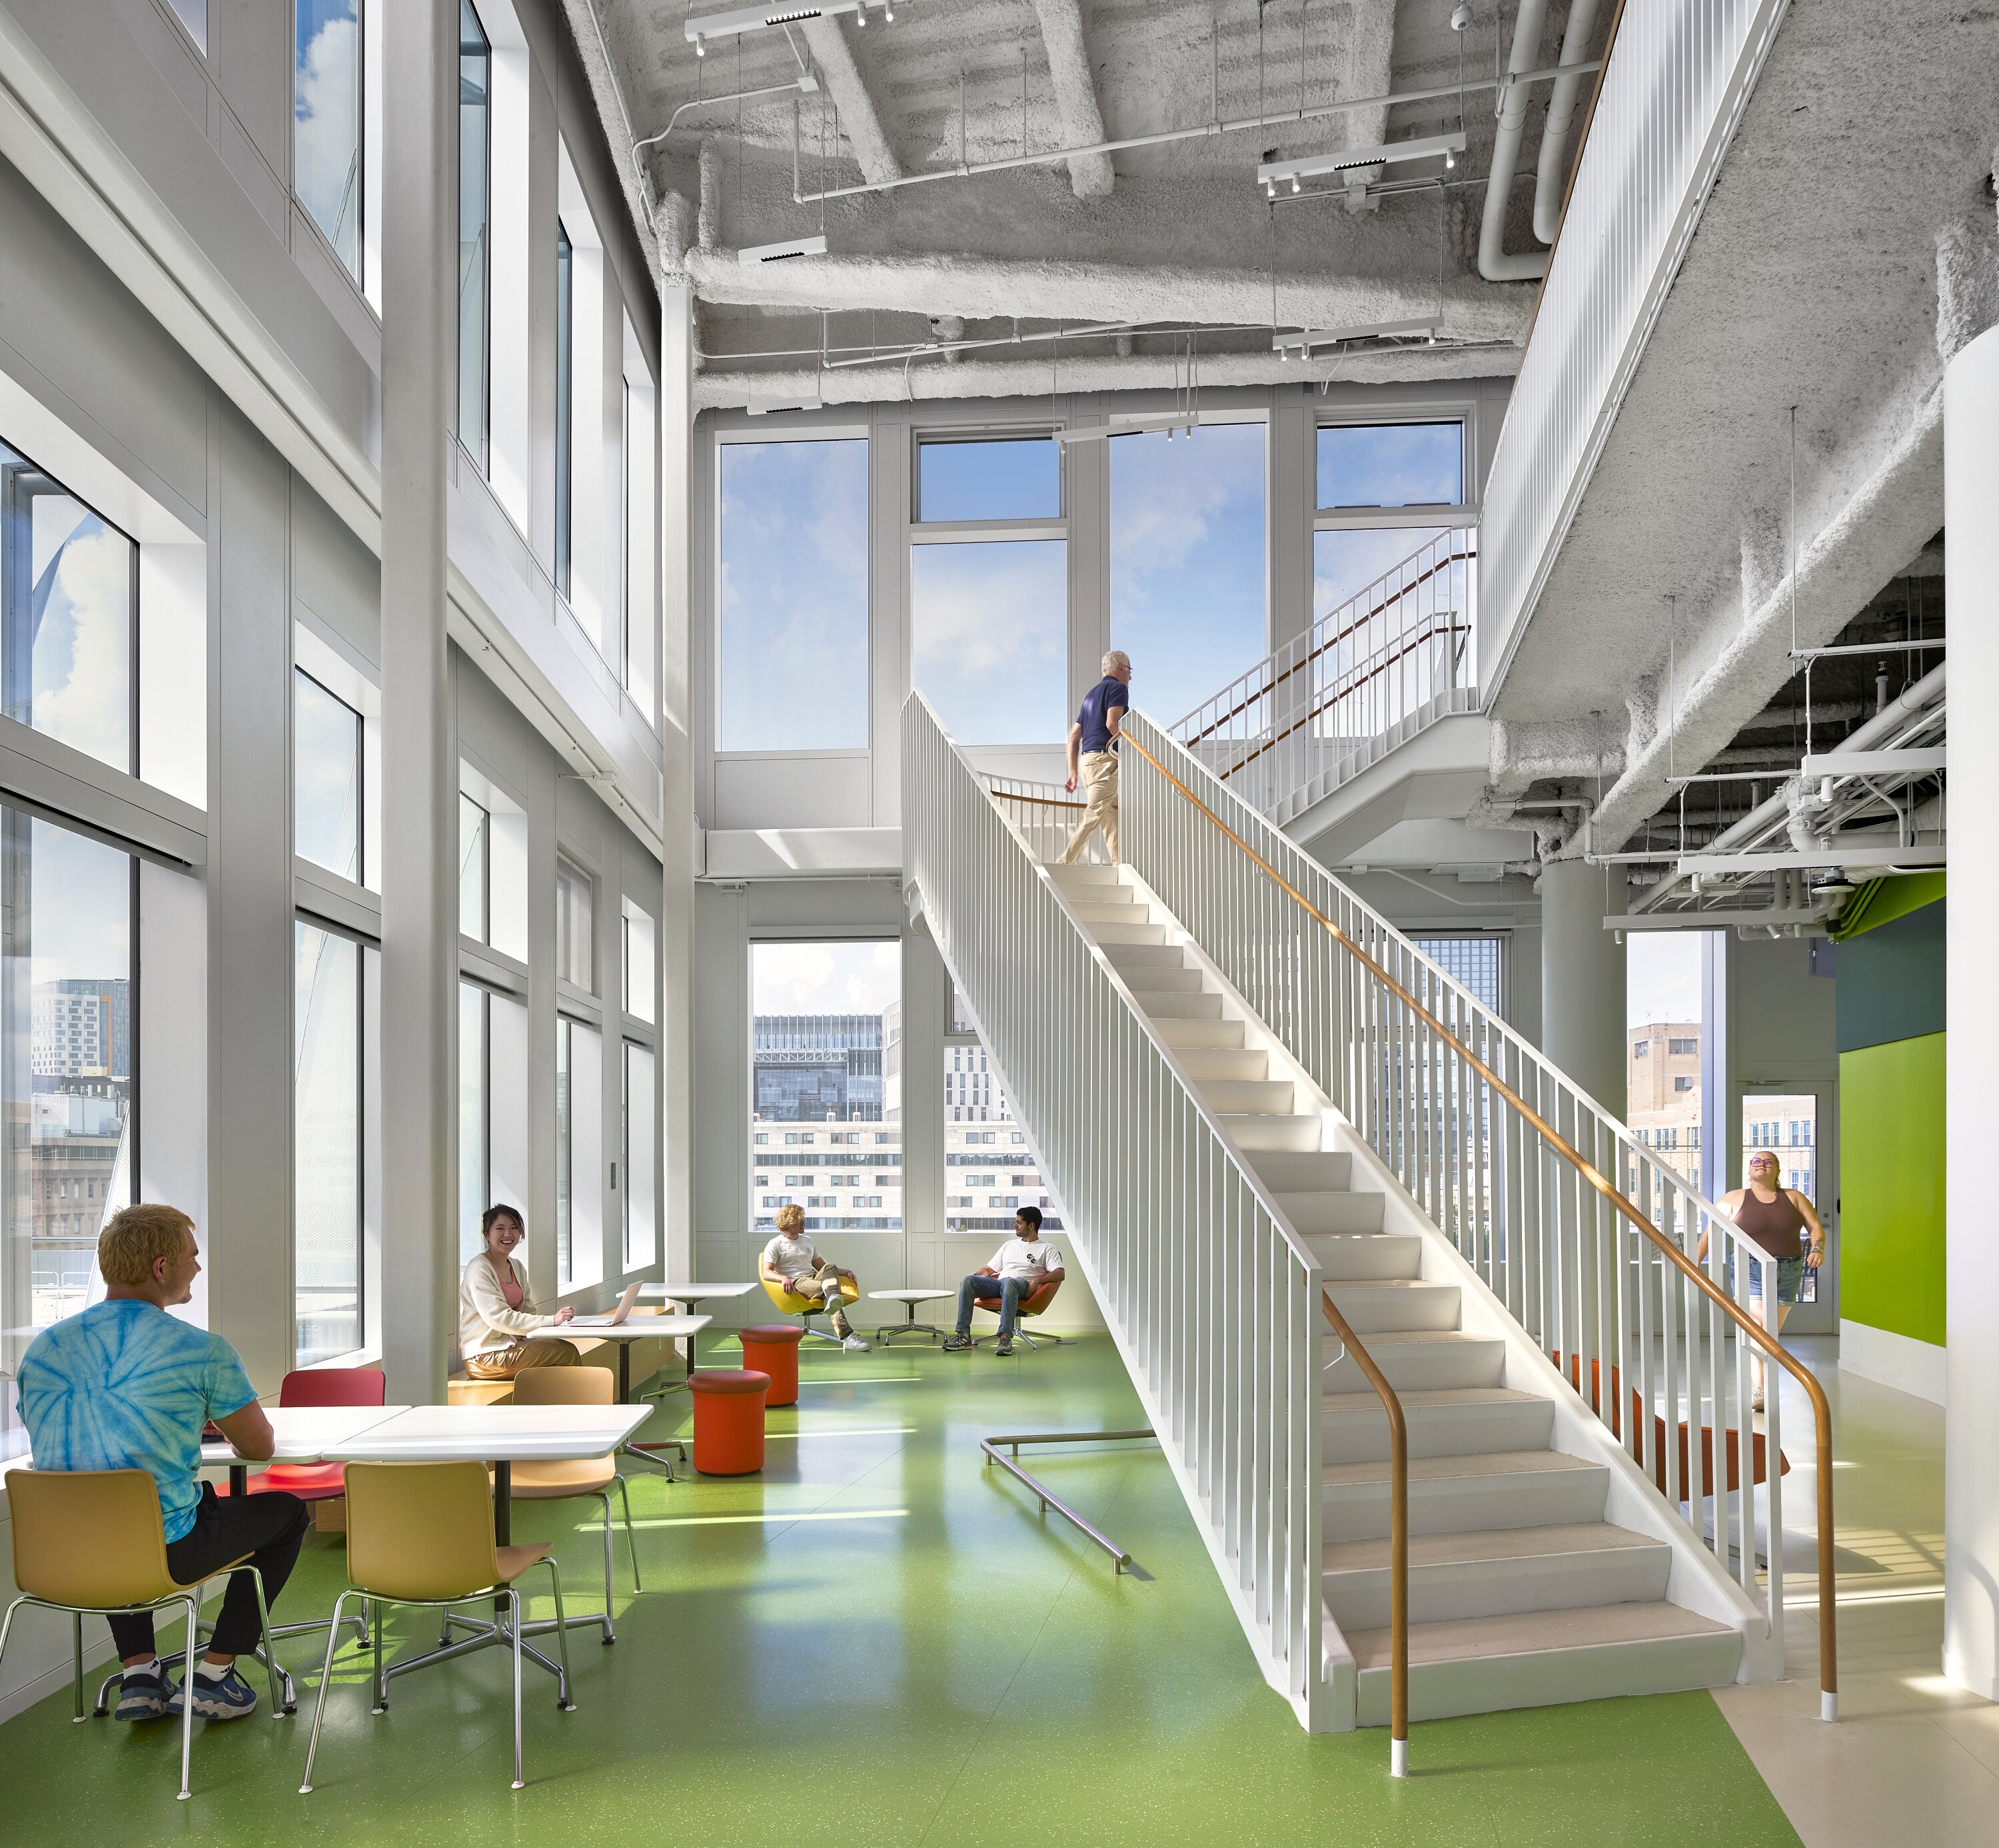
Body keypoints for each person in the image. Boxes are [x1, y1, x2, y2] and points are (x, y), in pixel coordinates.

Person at [15, 1204, 309, 1723]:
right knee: (287, 1512)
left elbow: (82, 1442)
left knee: (109, 1511)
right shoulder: (201, 1350)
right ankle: (215, 1674)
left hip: (64, 1553)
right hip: (167, 1552)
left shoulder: (42, 1350)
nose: (198, 1267)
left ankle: (141, 1676)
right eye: (192, 1257)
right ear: (160, 1267)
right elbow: (259, 1448)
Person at [1695, 1149, 1826, 1412]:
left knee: (1770, 1334)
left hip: (1789, 1268)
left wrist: (1817, 1249)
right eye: (1756, 1161)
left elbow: (1815, 1227)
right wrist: (1693, 1262)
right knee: (1757, 1327)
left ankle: (1763, 1384)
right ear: (1750, 1169)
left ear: (1777, 1170)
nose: (1761, 1165)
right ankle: (1760, 1389)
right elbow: (1711, 1235)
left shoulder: (1794, 1197)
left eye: (1769, 1162)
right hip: (1749, 1267)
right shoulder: (1733, 1198)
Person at [459, 1203, 581, 1379]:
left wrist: (555, 1325)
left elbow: (529, 1312)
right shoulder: (479, 1268)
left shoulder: (516, 1266)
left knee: (560, 1351)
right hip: (484, 1356)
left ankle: (558, 1404)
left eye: (514, 1228)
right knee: (566, 1352)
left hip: (511, 1347)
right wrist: (552, 1320)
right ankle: (577, 1405)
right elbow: (498, 1318)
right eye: (500, 1228)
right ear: (487, 1234)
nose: (508, 1234)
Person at [943, 1206, 1065, 1357]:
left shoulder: (1047, 1248)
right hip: (1000, 1284)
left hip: (1022, 1286)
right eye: (1016, 1222)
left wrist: (1037, 1281)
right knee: (968, 1280)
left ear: (1031, 1225)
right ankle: (963, 1336)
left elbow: (1060, 1273)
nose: (1015, 1226)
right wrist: (975, 1279)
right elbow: (989, 1269)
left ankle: (1005, 1337)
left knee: (1010, 1283)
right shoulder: (1009, 1245)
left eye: (1019, 1223)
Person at [760, 1202, 869, 1350]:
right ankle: (848, 1336)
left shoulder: (808, 1241)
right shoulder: (776, 1244)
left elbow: (822, 1266)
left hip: (813, 1278)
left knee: (830, 1268)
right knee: (827, 1292)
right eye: (800, 1220)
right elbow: (766, 1272)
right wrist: (783, 1278)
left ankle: (832, 1297)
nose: (804, 1223)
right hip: (797, 1283)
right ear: (789, 1222)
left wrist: (846, 1272)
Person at [1057, 650, 1132, 865]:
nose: (1130, 677)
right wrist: (1133, 745)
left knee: (1109, 818)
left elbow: (1073, 737)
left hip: (1087, 764)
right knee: (1094, 815)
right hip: (1104, 760)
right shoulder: (1118, 689)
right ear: (1121, 669)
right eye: (1129, 671)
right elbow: (1112, 725)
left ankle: (1119, 865)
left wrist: (1073, 773)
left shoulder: (1091, 695)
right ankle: (1064, 863)